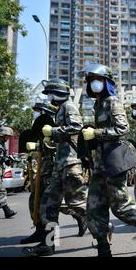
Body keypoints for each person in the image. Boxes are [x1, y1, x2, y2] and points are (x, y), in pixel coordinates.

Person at [80, 64, 136, 257]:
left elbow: (122, 129)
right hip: (100, 163)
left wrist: (97, 132)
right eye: (91, 80)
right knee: (94, 206)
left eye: (98, 80)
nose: (94, 83)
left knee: (121, 207)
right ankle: (103, 249)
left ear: (107, 82)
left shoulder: (112, 102)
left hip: (113, 163)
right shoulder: (98, 103)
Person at [23, 78, 88, 256]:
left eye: (51, 93)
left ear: (58, 93)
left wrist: (53, 131)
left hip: (70, 164)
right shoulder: (60, 110)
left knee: (78, 205)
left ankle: (104, 227)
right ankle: (49, 244)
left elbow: (77, 126)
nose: (49, 97)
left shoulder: (68, 107)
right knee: (48, 206)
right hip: (60, 165)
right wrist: (48, 139)